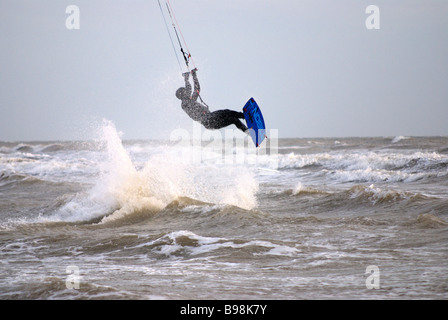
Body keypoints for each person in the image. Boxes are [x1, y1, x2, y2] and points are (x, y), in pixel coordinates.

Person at [176, 69, 248, 132]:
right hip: (208, 120)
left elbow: (197, 89)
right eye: (185, 92)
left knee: (234, 120)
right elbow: (189, 89)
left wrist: (194, 75)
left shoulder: (191, 100)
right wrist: (186, 78)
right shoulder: (185, 104)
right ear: (183, 95)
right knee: (227, 112)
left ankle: (248, 131)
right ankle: (245, 116)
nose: (187, 93)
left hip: (211, 120)